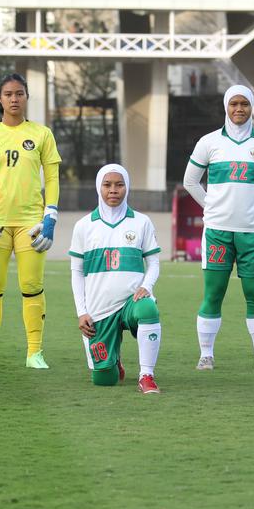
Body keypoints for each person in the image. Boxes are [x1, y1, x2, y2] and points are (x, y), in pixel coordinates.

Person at [183, 85, 254, 372]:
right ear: (226, 107)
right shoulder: (208, 142)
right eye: (234, 104)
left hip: (253, 232)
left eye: (244, 104)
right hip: (217, 231)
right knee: (213, 294)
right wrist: (211, 207)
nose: (239, 109)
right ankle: (206, 355)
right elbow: (190, 181)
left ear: (252, 107)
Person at [0, 73, 61, 369]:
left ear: (27, 97)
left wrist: (51, 215)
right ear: (0, 98)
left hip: (31, 222)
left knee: (32, 284)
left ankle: (34, 352)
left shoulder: (42, 134)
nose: (14, 99)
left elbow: (53, 178)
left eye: (19, 93)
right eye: (8, 94)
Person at [69, 164, 162, 393]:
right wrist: (82, 311)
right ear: (98, 187)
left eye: (119, 185)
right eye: (107, 184)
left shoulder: (141, 222)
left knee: (148, 309)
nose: (113, 190)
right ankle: (114, 360)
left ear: (127, 188)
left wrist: (146, 286)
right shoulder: (83, 226)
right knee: (104, 380)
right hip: (99, 309)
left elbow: (153, 263)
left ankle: (146, 375)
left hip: (132, 300)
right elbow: (77, 272)